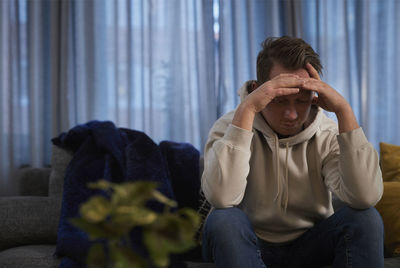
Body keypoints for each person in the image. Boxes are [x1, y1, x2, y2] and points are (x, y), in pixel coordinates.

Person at [200, 36, 384, 268]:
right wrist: (247, 108)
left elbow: (365, 197)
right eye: (279, 100)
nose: (292, 115)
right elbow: (221, 197)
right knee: (223, 219)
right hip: (246, 241)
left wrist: (343, 110)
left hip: (310, 243)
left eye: (301, 100)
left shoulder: (328, 133)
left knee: (366, 219)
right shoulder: (228, 127)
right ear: (258, 91)